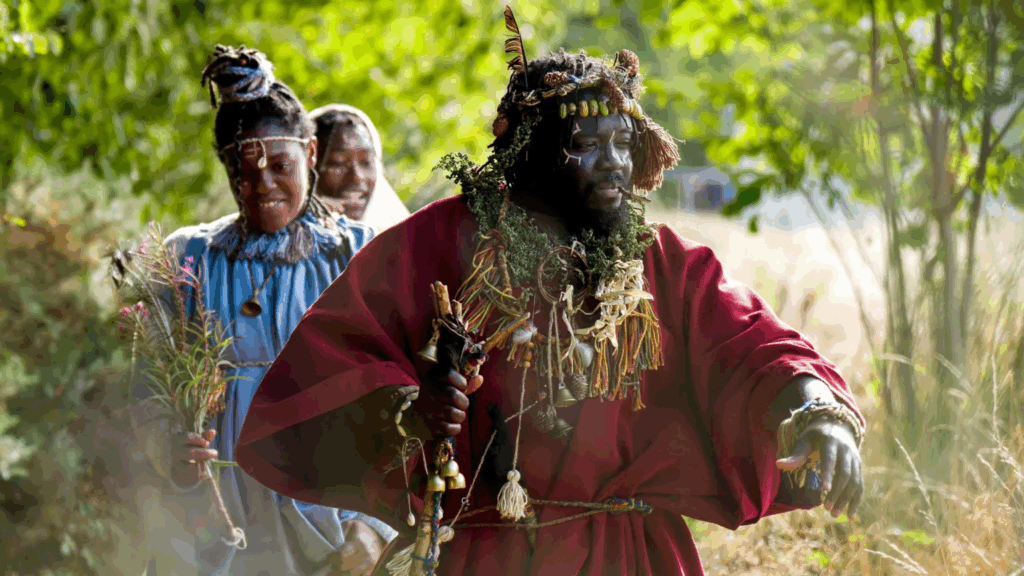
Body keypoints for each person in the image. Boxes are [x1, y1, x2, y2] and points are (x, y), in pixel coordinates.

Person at [233, 16, 865, 576]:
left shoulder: (660, 260)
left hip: (630, 557)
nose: (615, 162)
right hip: (483, 554)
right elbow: (332, 367)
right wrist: (414, 410)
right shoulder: (438, 244)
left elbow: (754, 346)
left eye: (623, 143)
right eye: (586, 145)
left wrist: (816, 411)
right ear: (526, 154)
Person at [124, 45, 395, 575]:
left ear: (310, 154)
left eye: (280, 165)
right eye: (242, 170)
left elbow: (406, 399)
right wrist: (170, 451)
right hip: (211, 525)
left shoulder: (361, 255)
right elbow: (146, 392)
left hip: (329, 529)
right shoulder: (187, 260)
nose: (263, 185)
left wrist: (376, 525)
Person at [309, 103, 410, 232]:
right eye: (338, 163)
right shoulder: (289, 238)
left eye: (366, 162)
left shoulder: (400, 238)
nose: (357, 177)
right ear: (307, 170)